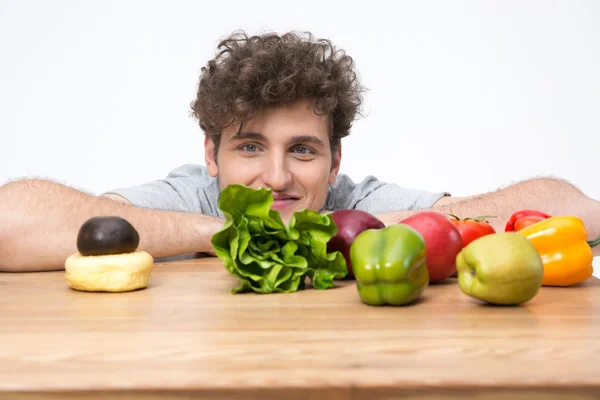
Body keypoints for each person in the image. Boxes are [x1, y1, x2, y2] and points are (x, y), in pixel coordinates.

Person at [1, 30, 599, 272]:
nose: (277, 176)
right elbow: (10, 222)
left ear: (335, 162)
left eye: (304, 150)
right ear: (212, 155)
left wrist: (336, 227)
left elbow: (574, 210)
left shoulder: (355, 200)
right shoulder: (190, 195)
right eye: (251, 147)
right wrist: (225, 233)